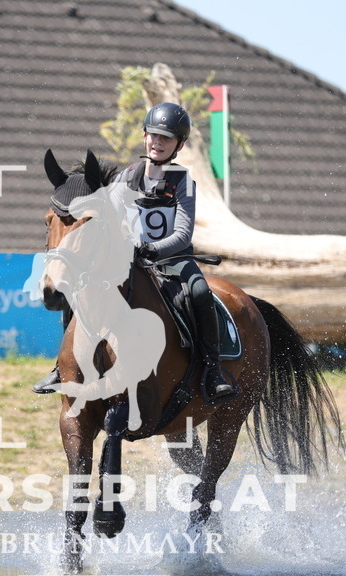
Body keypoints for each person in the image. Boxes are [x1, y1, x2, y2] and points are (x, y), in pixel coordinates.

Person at [33, 102, 236, 403]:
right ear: (144, 137)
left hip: (172, 262)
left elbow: (182, 234)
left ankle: (212, 368)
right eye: (153, 135)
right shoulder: (125, 178)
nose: (158, 142)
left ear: (178, 145)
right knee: (78, 288)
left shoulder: (184, 183)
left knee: (200, 292)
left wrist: (151, 249)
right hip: (130, 261)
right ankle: (61, 366)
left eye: (166, 138)